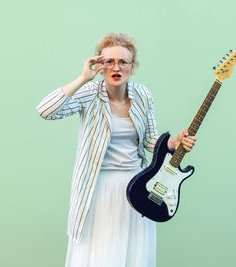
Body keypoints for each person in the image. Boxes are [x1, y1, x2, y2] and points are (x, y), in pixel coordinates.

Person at [36, 32, 197, 267]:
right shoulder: (90, 95)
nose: (116, 67)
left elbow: (150, 141)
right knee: (102, 255)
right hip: (97, 189)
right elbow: (45, 111)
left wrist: (174, 143)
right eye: (109, 61)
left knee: (133, 256)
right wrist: (82, 78)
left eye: (123, 61)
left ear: (132, 67)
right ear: (99, 65)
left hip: (137, 188)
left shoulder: (143, 95)